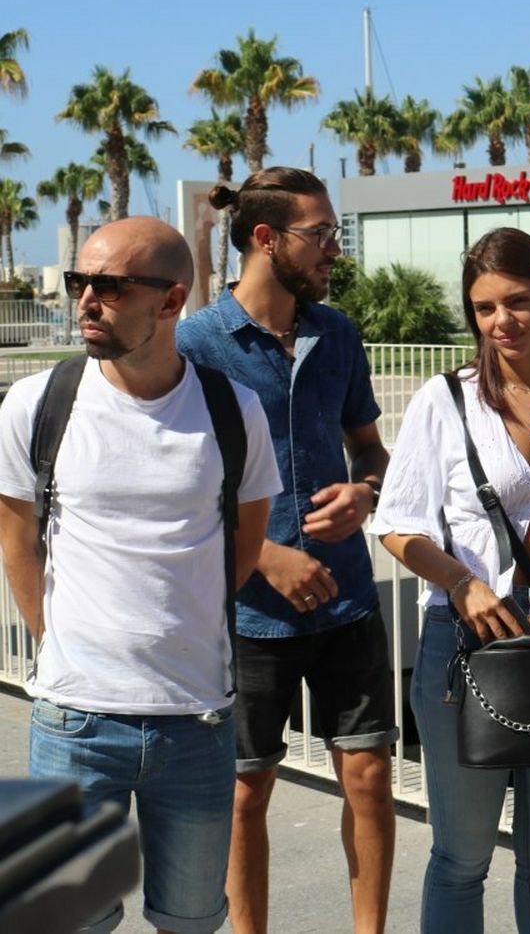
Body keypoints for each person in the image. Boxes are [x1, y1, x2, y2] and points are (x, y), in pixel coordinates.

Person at [0, 218, 281, 934]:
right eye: (79, 283)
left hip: (197, 719)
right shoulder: (37, 406)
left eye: (110, 286)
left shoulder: (232, 410)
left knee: (190, 919)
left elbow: (242, 548)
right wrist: (63, 643)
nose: (86, 300)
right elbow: (19, 545)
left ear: (170, 300)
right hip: (75, 722)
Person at [177, 168, 395, 934]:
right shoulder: (194, 345)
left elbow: (370, 448)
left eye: (336, 231)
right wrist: (265, 556)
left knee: (369, 777)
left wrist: (366, 492)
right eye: (323, 233)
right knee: (245, 792)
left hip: (348, 599)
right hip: (244, 610)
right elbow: (172, 482)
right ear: (266, 240)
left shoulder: (337, 335)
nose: (336, 247)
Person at [371, 228, 530, 934]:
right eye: (484, 308)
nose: (502, 321)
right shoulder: (445, 400)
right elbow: (397, 522)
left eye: (518, 301)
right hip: (467, 642)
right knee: (461, 856)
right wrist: (461, 583)